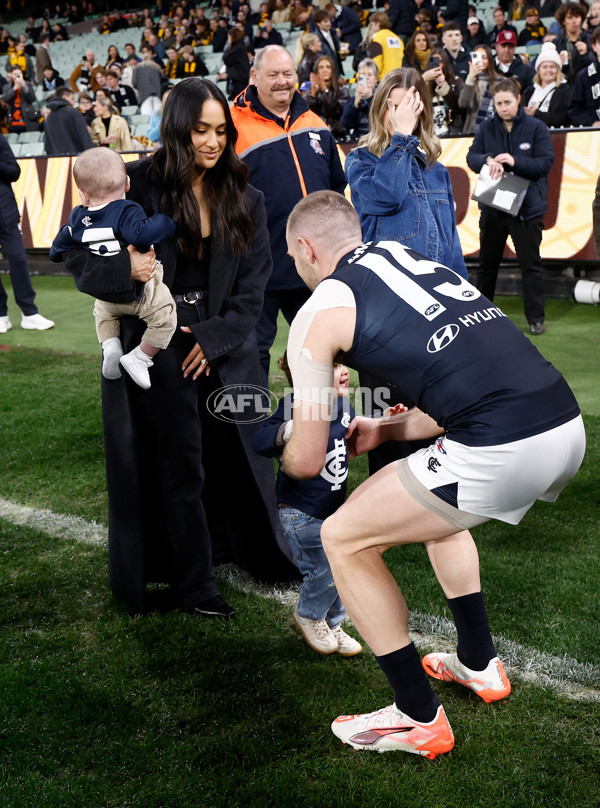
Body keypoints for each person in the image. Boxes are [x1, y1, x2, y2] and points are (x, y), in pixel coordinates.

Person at [281, 189, 585, 758]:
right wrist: (386, 431)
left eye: (295, 260)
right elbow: (464, 377)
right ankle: (478, 663)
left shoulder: (320, 308)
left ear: (306, 248)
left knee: (341, 536)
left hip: (503, 444)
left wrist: (275, 438)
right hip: (564, 424)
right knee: (441, 515)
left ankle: (417, 717)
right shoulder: (406, 257)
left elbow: (304, 459)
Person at [61, 77, 296, 616]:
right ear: (175, 129)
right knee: (177, 462)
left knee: (243, 453)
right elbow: (75, 256)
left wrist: (213, 339)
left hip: (221, 341)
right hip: (151, 339)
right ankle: (194, 583)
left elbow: (253, 285)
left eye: (220, 131)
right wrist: (124, 267)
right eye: (199, 131)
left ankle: (248, 551)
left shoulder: (244, 192)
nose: (212, 142)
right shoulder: (133, 182)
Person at [346, 67, 466, 471]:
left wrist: (464, 302)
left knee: (433, 416)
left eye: (407, 110)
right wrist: (401, 139)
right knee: (384, 417)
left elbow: (450, 243)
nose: (397, 115)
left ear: (422, 113)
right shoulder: (360, 161)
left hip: (436, 314)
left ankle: (431, 500)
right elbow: (388, 195)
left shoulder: (437, 170)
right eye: (391, 108)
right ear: (380, 110)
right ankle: (386, 503)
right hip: (384, 316)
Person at [230, 45, 346, 387]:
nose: (282, 82)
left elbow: (336, 191)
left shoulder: (315, 124)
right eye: (273, 75)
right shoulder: (231, 127)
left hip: (312, 269)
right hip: (257, 269)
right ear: (254, 76)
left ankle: (324, 428)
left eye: (288, 74)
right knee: (254, 355)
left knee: (319, 353)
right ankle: (254, 434)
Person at [253, 354, 363, 657]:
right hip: (301, 511)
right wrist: (292, 428)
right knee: (325, 569)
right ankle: (309, 615)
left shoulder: (342, 404)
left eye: (342, 365)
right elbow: (261, 440)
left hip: (330, 508)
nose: (343, 373)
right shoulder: (296, 405)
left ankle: (332, 622)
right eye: (333, 368)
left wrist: (382, 423)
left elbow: (346, 440)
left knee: (339, 566)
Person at [50, 148, 176, 389]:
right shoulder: (126, 210)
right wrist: (166, 222)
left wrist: (56, 250)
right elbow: (142, 235)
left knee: (102, 315)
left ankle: (110, 346)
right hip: (140, 293)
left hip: (106, 296)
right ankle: (140, 357)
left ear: (82, 194)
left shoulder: (76, 218)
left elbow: (58, 248)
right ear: (127, 184)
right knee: (165, 316)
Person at [467, 78, 554, 335]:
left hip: (527, 210)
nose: (504, 107)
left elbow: (546, 163)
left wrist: (516, 161)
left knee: (531, 266)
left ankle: (535, 319)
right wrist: (488, 160)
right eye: (499, 103)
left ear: (519, 100)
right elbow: (471, 157)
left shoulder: (537, 128)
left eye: (508, 102)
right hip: (493, 208)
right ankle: (481, 317)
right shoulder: (486, 128)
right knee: (487, 266)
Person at [0, 133, 55, 333]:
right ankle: (1, 315)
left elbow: (14, 171)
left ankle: (29, 313)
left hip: (5, 212)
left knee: (18, 259)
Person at [523, 42, 572, 128]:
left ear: (558, 70)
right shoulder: (529, 91)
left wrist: (536, 113)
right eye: (544, 67)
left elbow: (562, 119)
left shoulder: (564, 90)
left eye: (552, 67)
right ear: (538, 71)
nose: (548, 70)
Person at [459, 44, 502, 134]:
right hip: (472, 131)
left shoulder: (501, 81)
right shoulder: (469, 81)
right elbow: (462, 104)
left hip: (494, 130)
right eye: (477, 57)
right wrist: (471, 77)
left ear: (490, 60)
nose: (481, 61)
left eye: (484, 57)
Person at [304, 54, 349, 138]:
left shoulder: (342, 92)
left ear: (333, 70)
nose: (325, 70)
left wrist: (325, 90)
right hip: (316, 135)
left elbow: (334, 112)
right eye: (321, 67)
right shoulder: (310, 93)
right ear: (316, 72)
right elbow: (308, 115)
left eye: (328, 67)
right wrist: (313, 95)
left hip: (337, 134)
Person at [44, 86, 94, 155]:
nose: (73, 103)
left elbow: (47, 146)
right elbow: (85, 138)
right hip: (76, 158)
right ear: (65, 97)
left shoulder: (48, 118)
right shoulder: (73, 112)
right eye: (72, 99)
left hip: (58, 161)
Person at [568, 26, 600, 126]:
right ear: (594, 47)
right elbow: (574, 109)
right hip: (594, 133)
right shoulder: (583, 76)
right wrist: (593, 123)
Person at [339, 58, 378, 140]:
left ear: (376, 79)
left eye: (370, 75)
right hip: (358, 141)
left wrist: (370, 98)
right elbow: (344, 124)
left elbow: (379, 120)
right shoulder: (354, 98)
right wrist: (355, 105)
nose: (366, 78)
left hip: (376, 140)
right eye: (363, 75)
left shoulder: (382, 97)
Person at [554, 2, 592, 85]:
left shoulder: (591, 39)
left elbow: (596, 64)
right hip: (565, 89)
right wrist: (557, 62)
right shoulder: (556, 43)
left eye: (577, 17)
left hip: (588, 85)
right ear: (563, 21)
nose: (574, 21)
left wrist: (587, 53)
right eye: (570, 18)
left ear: (582, 18)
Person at [364, 12, 405, 80]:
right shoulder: (397, 38)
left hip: (384, 79)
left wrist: (374, 77)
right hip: (398, 78)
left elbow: (376, 60)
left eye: (372, 24)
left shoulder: (377, 37)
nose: (372, 27)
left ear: (377, 24)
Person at [2, 67, 39, 133]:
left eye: (19, 73)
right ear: (12, 75)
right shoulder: (6, 87)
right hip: (13, 118)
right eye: (15, 74)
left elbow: (32, 99)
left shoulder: (28, 84)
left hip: (27, 117)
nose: (17, 75)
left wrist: (24, 87)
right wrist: (14, 89)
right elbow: (5, 99)